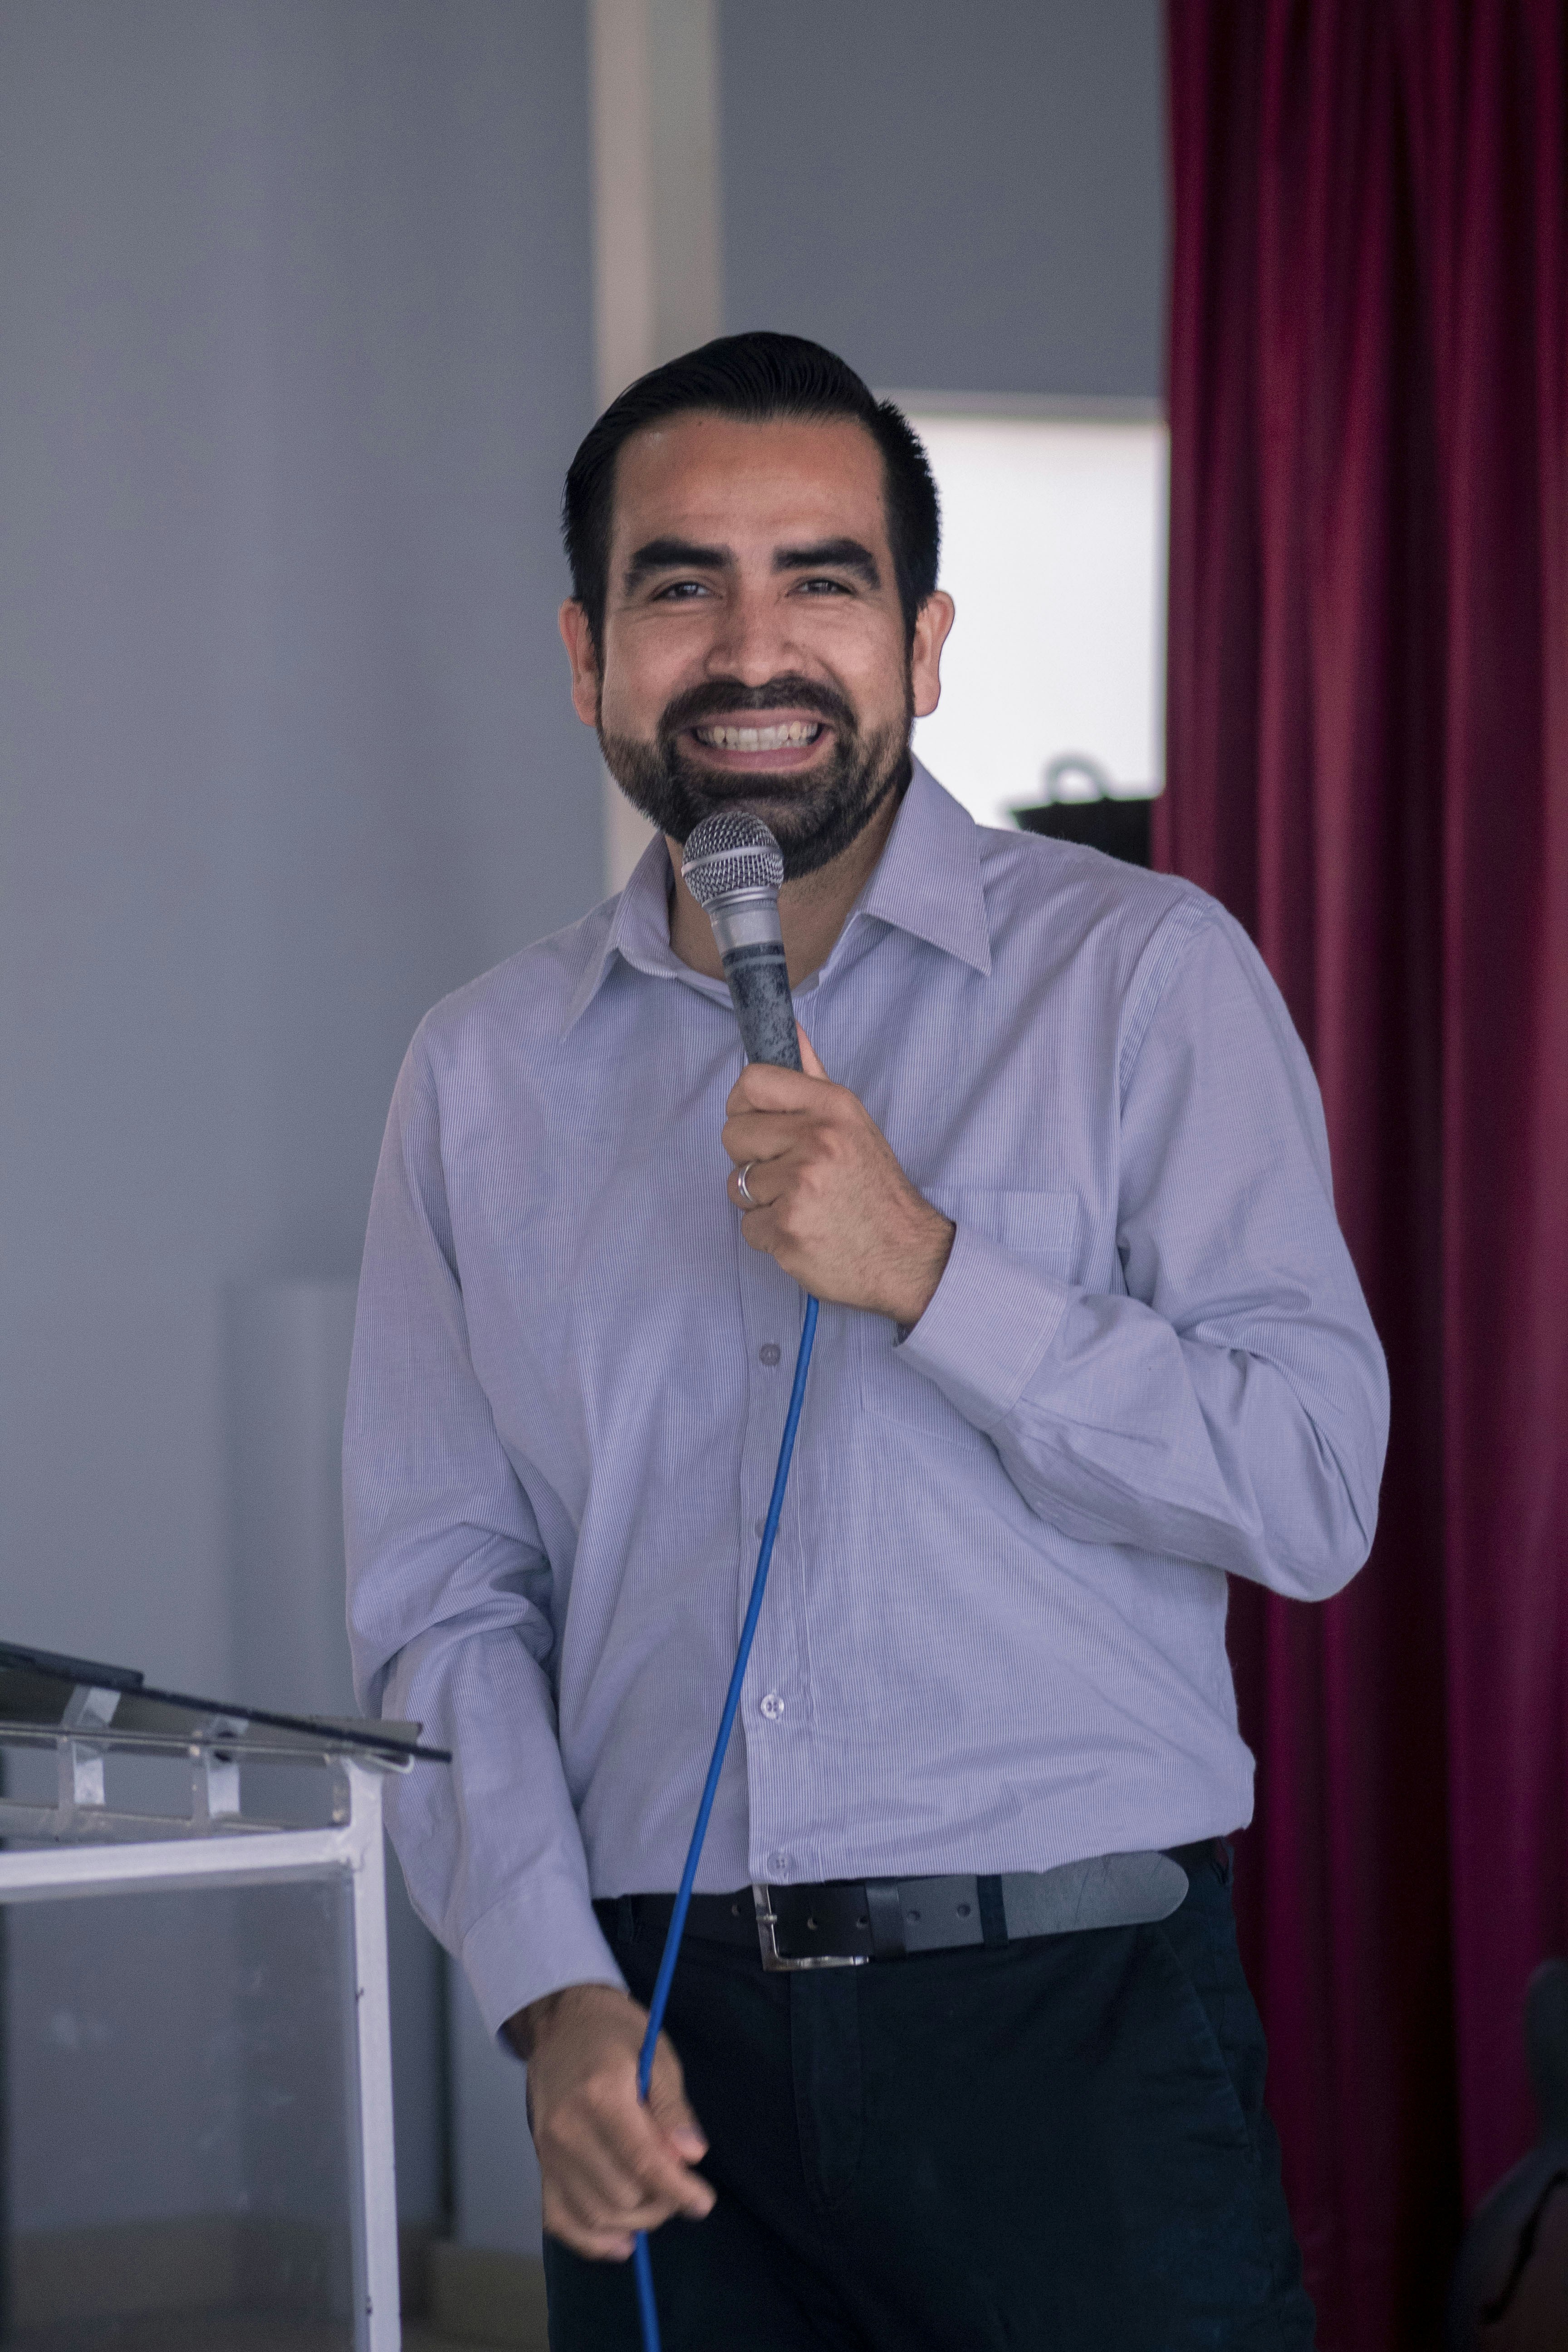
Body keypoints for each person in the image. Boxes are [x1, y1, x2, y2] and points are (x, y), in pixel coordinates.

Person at [344, 332, 1388, 2350]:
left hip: (1073, 2033)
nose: (754, 650)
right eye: (681, 586)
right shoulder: (477, 1076)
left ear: (923, 645)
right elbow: (443, 1600)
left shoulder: (1146, 981)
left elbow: (1311, 1488)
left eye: (821, 579)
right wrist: (551, 1996)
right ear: (588, 658)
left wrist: (932, 1274)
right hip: (664, 2044)